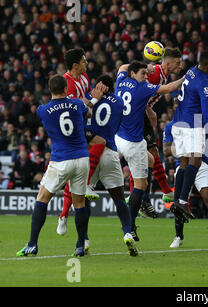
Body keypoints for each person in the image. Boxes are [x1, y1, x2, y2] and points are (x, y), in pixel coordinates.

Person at [16, 75, 104, 257]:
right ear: (66, 89)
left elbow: (40, 114)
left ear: (50, 90)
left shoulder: (43, 110)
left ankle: (32, 244)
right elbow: (88, 113)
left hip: (61, 160)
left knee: (42, 199)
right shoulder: (78, 104)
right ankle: (80, 245)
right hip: (81, 158)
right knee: (79, 203)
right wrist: (93, 99)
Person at [114, 60, 184, 241]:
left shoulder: (121, 80)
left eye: (146, 73)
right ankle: (129, 228)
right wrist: (186, 78)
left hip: (118, 137)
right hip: (132, 143)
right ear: (134, 74)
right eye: (143, 74)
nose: (146, 77)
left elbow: (122, 67)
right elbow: (168, 88)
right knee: (141, 186)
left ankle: (141, 203)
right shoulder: (142, 88)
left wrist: (144, 64)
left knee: (152, 161)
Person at [170, 51, 208, 224]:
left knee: (184, 162)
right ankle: (183, 201)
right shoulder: (204, 79)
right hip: (192, 125)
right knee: (195, 161)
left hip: (178, 123)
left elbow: (204, 97)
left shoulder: (191, 71)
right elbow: (205, 112)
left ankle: (178, 201)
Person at [83, 74, 138, 256]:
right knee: (119, 199)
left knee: (82, 198)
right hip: (110, 152)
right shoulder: (120, 102)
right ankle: (127, 232)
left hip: (90, 151)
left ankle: (84, 240)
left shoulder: (90, 98)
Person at [57, 48, 107, 249]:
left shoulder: (84, 77)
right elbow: (81, 110)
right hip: (71, 131)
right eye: (84, 61)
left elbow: (86, 102)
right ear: (75, 65)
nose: (87, 64)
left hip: (83, 127)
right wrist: (93, 100)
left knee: (79, 173)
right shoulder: (67, 82)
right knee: (79, 171)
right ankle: (66, 218)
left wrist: (90, 100)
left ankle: (65, 217)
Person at [126, 48, 183, 217]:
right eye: (177, 63)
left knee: (149, 154)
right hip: (135, 116)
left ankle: (153, 195)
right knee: (145, 154)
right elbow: (135, 88)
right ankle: (144, 196)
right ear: (167, 63)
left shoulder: (161, 74)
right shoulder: (155, 74)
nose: (180, 66)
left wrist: (148, 107)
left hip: (141, 113)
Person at [163, 119, 208, 250]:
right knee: (178, 202)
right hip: (183, 166)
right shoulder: (170, 125)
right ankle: (178, 236)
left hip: (201, 165)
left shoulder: (199, 122)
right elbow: (166, 151)